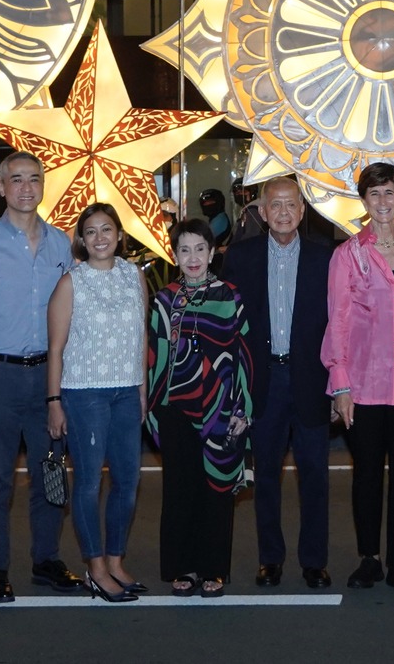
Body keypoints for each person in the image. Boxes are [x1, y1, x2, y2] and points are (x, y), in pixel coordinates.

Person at [0, 150, 81, 603]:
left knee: (51, 473)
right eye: (17, 180)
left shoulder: (63, 245)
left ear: (43, 185)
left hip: (49, 378)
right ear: (1, 188)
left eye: (34, 179)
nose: (26, 188)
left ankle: (46, 559)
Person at [322, 161, 394, 596]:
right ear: (364, 200)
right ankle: (369, 558)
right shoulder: (348, 254)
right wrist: (341, 384)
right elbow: (338, 321)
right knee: (367, 473)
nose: (382, 202)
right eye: (373, 194)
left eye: (389, 192)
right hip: (365, 385)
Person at [221, 176, 334, 589]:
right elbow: (229, 326)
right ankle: (270, 558)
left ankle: (314, 560)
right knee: (265, 474)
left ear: (302, 212)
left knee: (314, 476)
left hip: (310, 379)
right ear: (262, 213)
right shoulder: (240, 256)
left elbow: (339, 325)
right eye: (276, 206)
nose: (284, 212)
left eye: (292, 205)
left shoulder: (326, 258)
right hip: (262, 380)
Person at [45, 203, 148, 604]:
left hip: (126, 392)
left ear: (120, 235)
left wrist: (141, 390)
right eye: (91, 231)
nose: (100, 237)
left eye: (107, 229)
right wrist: (54, 401)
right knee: (88, 483)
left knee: (128, 480)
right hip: (84, 394)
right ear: (81, 239)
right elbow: (55, 349)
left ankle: (117, 560)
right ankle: (95, 567)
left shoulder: (132, 276)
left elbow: (141, 336)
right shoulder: (71, 283)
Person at [148, 217, 254, 596]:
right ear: (174, 255)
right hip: (174, 408)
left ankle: (213, 569)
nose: (193, 257)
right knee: (179, 489)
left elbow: (242, 356)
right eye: (184, 250)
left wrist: (242, 410)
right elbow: (154, 356)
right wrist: (152, 406)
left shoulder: (230, 296)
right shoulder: (164, 299)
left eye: (200, 249)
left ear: (212, 252)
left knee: (216, 489)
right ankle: (184, 568)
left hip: (222, 410)